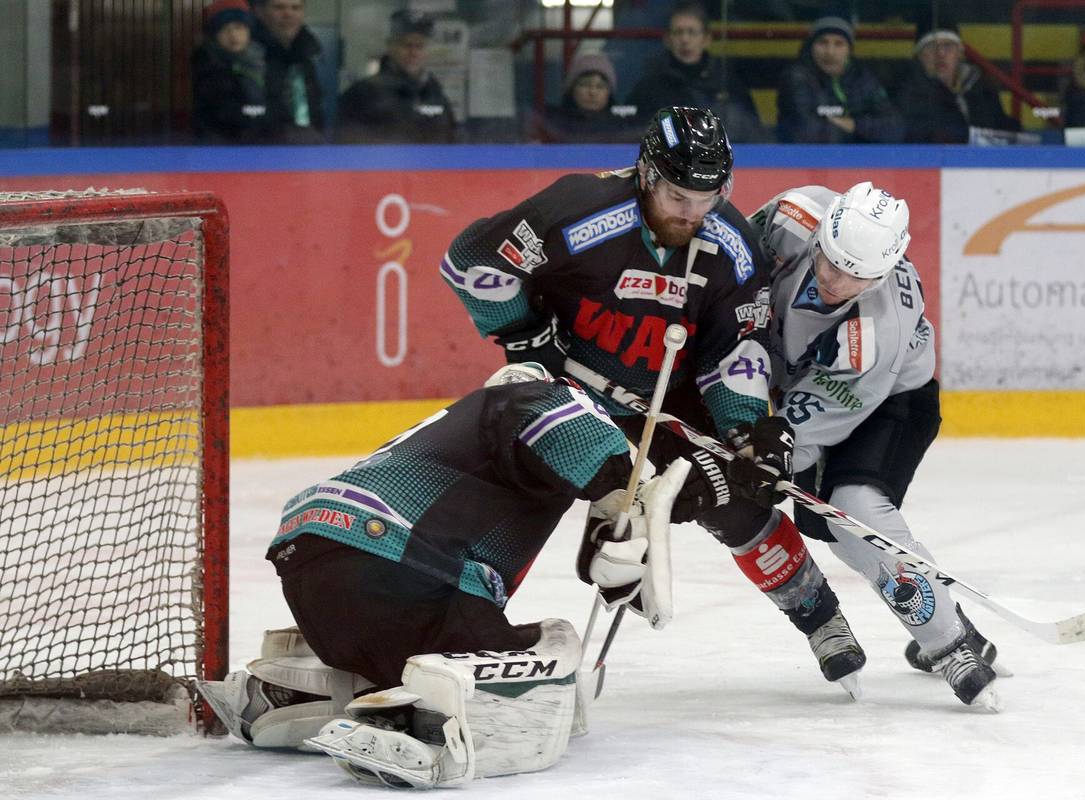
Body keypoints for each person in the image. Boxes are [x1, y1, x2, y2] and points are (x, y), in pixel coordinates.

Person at [440, 106, 867, 696]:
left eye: (706, 199)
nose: (691, 215)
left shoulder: (734, 247)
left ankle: (822, 620)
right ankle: (455, 637)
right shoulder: (577, 212)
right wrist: (525, 340)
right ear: (646, 174)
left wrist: (748, 428)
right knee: (519, 505)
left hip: (671, 400)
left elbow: (734, 352)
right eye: (676, 197)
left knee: (737, 494)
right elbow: (471, 259)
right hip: (570, 397)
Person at [199, 363, 692, 788]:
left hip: (309, 555)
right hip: (393, 557)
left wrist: (613, 531)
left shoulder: (453, 434)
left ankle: (285, 697)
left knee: (405, 653)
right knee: (551, 652)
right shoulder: (538, 396)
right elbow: (551, 418)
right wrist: (623, 488)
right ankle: (418, 725)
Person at [746, 182, 1001, 709]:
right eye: (831, 261)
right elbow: (731, 266)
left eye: (853, 275)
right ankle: (952, 617)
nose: (832, 280)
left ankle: (949, 643)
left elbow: (814, 422)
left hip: (891, 402)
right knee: (819, 520)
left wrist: (775, 454)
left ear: (883, 271)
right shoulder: (793, 215)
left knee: (850, 511)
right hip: (812, 382)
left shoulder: (874, 332)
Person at [625, 3, 767, 142]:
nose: (685, 39)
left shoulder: (727, 81)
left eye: (692, 32)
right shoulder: (650, 85)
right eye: (678, 32)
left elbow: (753, 132)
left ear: (706, 39)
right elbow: (634, 132)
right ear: (668, 39)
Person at [776, 16, 904, 144]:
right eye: (822, 42)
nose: (830, 52)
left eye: (839, 44)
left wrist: (854, 124)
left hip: (859, 160)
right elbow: (806, 131)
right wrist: (859, 132)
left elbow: (895, 128)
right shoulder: (796, 78)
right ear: (811, 47)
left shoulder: (863, 78)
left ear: (849, 50)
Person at [336, 10, 456, 144]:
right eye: (407, 45)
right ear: (390, 46)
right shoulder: (362, 94)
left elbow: (450, 140)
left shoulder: (435, 95)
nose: (413, 53)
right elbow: (346, 147)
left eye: (420, 46)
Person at [895, 18, 1021, 144]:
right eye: (931, 46)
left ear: (960, 53)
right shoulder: (907, 94)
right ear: (918, 56)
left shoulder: (982, 89)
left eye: (948, 46)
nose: (940, 53)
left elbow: (1001, 127)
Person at [191, 0, 268, 144]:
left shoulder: (264, 60)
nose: (233, 35)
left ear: (248, 30)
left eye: (238, 27)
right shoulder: (209, 67)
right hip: (221, 146)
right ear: (215, 35)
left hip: (264, 144)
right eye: (225, 29)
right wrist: (263, 112)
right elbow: (226, 113)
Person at [251, 0, 326, 143]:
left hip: (307, 152)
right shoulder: (248, 57)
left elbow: (314, 107)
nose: (288, 14)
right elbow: (246, 111)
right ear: (259, 12)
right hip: (258, 153)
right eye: (279, 8)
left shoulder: (305, 55)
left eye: (296, 8)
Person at [527, 51, 640, 144]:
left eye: (600, 86)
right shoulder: (550, 123)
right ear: (572, 88)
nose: (592, 92)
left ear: (609, 93)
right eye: (585, 84)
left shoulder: (624, 126)